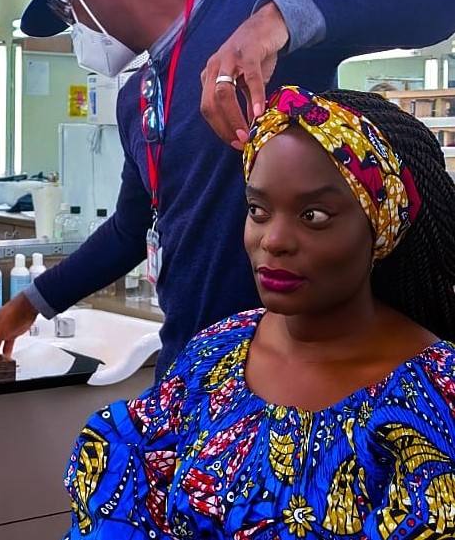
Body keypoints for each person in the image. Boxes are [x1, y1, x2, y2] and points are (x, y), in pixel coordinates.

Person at [0, 0, 455, 379]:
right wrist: (29, 305)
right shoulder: (135, 95)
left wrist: (278, 20)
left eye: (67, 10)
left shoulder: (247, 9)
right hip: (191, 368)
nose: (73, 28)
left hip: (290, 373)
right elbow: (130, 231)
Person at [62, 86, 455, 539]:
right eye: (258, 210)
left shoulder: (433, 397)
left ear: (380, 227)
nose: (273, 240)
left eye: (314, 216)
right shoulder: (216, 356)